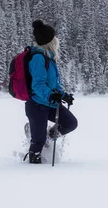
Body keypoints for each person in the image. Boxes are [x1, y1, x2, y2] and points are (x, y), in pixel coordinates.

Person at [25, 20, 78, 164]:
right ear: (49, 41)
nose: (57, 40)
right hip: (37, 105)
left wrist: (63, 95)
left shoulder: (49, 59)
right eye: (54, 38)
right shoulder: (38, 59)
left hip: (50, 104)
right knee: (38, 141)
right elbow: (38, 85)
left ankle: (45, 136)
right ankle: (32, 170)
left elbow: (54, 84)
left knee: (70, 123)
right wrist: (50, 95)